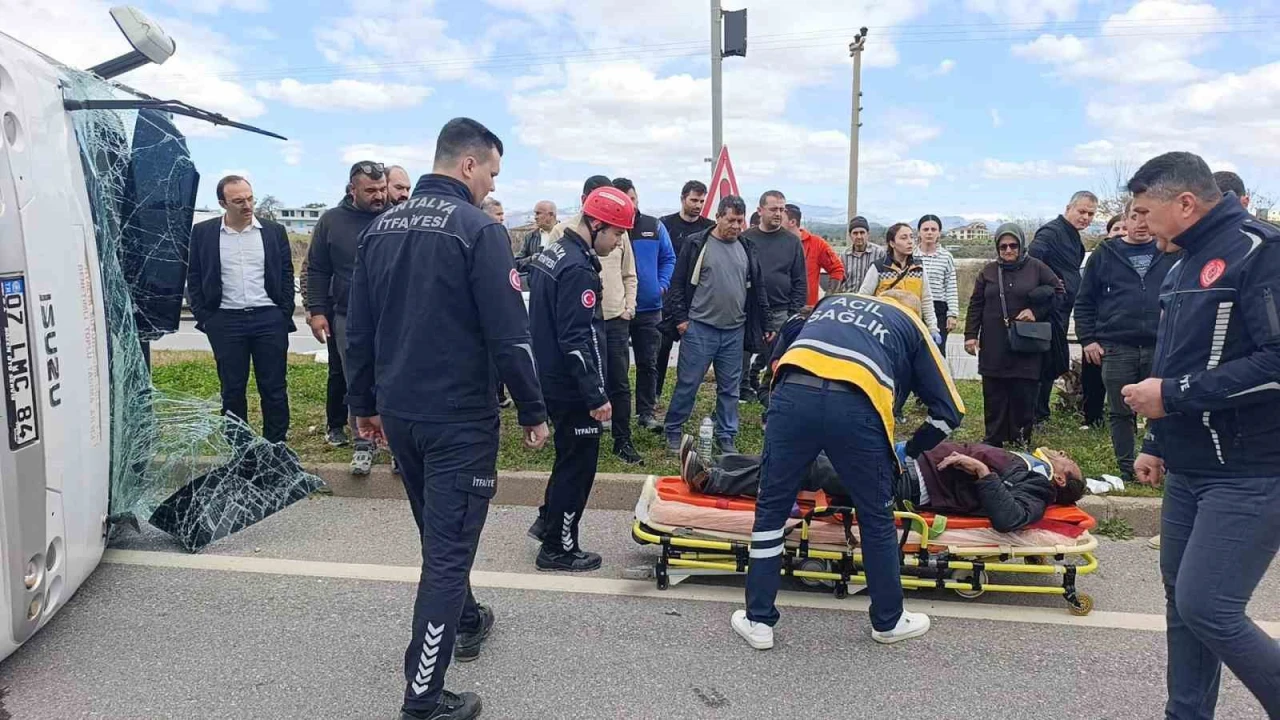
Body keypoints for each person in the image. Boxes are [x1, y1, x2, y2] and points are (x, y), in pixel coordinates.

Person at [345, 117, 549, 720]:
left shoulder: (380, 228)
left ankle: (465, 618)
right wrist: (533, 409)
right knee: (447, 554)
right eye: (491, 173)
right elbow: (510, 333)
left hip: (401, 413)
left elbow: (359, 333)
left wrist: (364, 406)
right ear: (468, 164)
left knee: (440, 537)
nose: (492, 186)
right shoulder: (477, 230)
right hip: (458, 418)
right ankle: (424, 698)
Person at [1120, 151, 1280, 720]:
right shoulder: (1181, 262)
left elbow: (1275, 362)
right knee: (1182, 607)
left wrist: (1172, 395)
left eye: (1145, 211)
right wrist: (1156, 439)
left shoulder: (1261, 252)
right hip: (1188, 467)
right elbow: (1174, 359)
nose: (1138, 224)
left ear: (1185, 203)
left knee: (1209, 606)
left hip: (1250, 469)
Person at [731, 289, 964, 651]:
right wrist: (910, 449)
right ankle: (889, 621)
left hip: (792, 394)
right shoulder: (912, 323)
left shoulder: (835, 301)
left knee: (771, 512)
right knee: (876, 518)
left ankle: (758, 620)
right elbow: (950, 411)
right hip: (857, 405)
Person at [526, 186, 634, 571]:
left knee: (567, 457)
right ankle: (559, 547)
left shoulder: (555, 252)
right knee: (578, 467)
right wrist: (596, 395)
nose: (618, 242)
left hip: (552, 377)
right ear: (597, 224)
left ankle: (547, 523)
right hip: (571, 386)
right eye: (617, 233)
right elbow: (576, 339)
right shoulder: (577, 269)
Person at [682, 440, 1085, 533]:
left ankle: (712, 479)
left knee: (812, 467)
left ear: (1061, 478)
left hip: (905, 485)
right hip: (904, 463)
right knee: (808, 456)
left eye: (1069, 460)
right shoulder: (1030, 465)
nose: (1064, 453)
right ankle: (717, 468)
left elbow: (1009, 518)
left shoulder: (1038, 486)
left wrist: (982, 472)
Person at [186, 175, 295, 444]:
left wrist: (283, 312)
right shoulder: (203, 233)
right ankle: (240, 451)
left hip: (268, 317)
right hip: (225, 320)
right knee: (232, 390)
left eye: (250, 198)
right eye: (238, 201)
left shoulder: (273, 232)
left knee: (274, 388)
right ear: (223, 203)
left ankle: (276, 449)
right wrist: (206, 317)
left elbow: (285, 272)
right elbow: (195, 276)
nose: (247, 205)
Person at [659, 195, 769, 455]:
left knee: (730, 388)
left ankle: (726, 435)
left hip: (734, 331)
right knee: (688, 383)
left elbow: (758, 288)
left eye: (740, 221)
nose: (736, 226)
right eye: (731, 220)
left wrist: (763, 321)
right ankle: (673, 429)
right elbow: (677, 285)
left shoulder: (747, 247)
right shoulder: (697, 244)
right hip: (699, 329)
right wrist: (682, 320)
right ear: (718, 217)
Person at [1075, 201, 1174, 482]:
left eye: (1146, 216)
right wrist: (1088, 339)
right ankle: (1128, 469)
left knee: (1162, 408)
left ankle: (1158, 466)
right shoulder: (1105, 255)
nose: (1141, 223)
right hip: (1117, 346)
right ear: (1125, 221)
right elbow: (1084, 301)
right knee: (1120, 411)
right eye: (1134, 216)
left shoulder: (1168, 251)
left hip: (1159, 346)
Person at [305, 161, 389, 475]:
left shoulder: (395, 218)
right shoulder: (331, 221)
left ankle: (395, 443)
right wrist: (317, 311)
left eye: (382, 189)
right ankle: (363, 444)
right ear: (352, 189)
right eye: (370, 190)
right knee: (357, 379)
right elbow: (317, 269)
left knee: (392, 378)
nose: (379, 196)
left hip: (391, 315)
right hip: (347, 315)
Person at [964, 224, 1061, 447]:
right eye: (1003, 246)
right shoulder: (988, 271)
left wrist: (1035, 311)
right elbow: (976, 304)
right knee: (994, 393)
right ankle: (993, 440)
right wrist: (970, 334)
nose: (1008, 250)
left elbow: (1059, 292)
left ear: (1021, 245)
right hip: (994, 342)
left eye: (1013, 245)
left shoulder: (1037, 268)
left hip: (1026, 343)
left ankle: (1020, 440)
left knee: (1023, 393)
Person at [614, 179, 676, 436]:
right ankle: (615, 412)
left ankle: (646, 412)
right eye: (624, 199)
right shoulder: (608, 227)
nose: (630, 204)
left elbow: (668, 258)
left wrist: (661, 285)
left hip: (650, 308)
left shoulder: (653, 226)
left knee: (648, 363)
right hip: (616, 309)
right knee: (615, 365)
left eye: (632, 198)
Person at [1029, 191, 1097, 424]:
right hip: (1048, 310)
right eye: (1082, 211)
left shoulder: (1073, 236)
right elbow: (1033, 262)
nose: (1086, 217)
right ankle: (1035, 414)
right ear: (1069, 208)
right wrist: (1050, 285)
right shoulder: (1051, 232)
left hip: (1063, 309)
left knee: (1054, 361)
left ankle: (1041, 412)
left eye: (1091, 214)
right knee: (1043, 361)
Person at [740, 191, 807, 403]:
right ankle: (741, 390)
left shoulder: (792, 242)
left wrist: (793, 314)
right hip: (749, 311)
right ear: (760, 211)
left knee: (779, 359)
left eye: (781, 209)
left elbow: (799, 281)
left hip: (780, 311)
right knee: (740, 356)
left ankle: (772, 396)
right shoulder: (746, 239)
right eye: (773, 209)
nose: (778, 213)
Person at [655, 181, 715, 411]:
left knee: (692, 356)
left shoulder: (709, 228)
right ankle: (655, 395)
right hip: (668, 300)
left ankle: (684, 401)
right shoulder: (665, 225)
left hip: (695, 301)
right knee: (661, 350)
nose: (698, 205)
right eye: (694, 200)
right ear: (682, 199)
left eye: (702, 201)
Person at [298, 254, 348, 447]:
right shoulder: (327, 234)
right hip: (333, 306)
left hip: (369, 302)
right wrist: (311, 306)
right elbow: (310, 269)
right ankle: (336, 425)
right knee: (338, 369)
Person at [859, 223, 940, 338]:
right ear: (892, 243)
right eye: (904, 238)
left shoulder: (918, 267)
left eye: (911, 237)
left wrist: (932, 328)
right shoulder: (879, 268)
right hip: (884, 329)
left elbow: (926, 299)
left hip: (913, 328)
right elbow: (863, 298)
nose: (910, 241)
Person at [783, 204, 845, 308]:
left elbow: (837, 270)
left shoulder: (816, 244)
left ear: (792, 222)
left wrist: (825, 303)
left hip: (805, 311)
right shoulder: (773, 244)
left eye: (780, 218)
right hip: (778, 310)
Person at [916, 214, 958, 354]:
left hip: (938, 307)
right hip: (915, 307)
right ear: (919, 232)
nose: (929, 233)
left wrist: (952, 314)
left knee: (936, 351)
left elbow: (950, 286)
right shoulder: (911, 255)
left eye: (933, 229)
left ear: (939, 233)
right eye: (925, 229)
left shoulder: (946, 257)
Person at [514, 200, 559, 280]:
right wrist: (531, 259)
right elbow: (516, 263)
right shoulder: (530, 237)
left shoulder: (566, 234)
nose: (535, 217)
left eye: (538, 213)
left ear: (551, 215)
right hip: (537, 284)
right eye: (535, 214)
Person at [840, 215, 885, 291]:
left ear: (868, 234)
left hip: (870, 297)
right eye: (855, 233)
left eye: (862, 232)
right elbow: (840, 280)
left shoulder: (880, 253)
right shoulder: (844, 256)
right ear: (850, 235)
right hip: (848, 296)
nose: (859, 236)